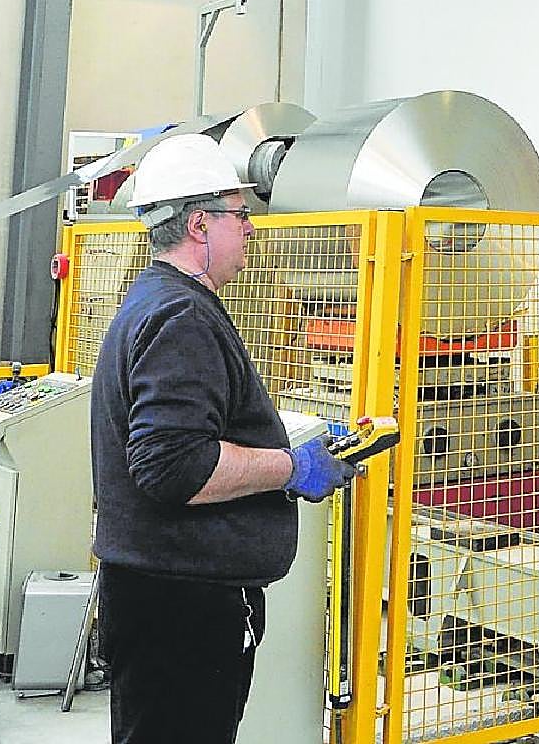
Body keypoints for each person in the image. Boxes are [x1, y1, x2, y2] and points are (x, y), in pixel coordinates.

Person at [90, 133, 359, 744]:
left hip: (162, 591)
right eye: (240, 215)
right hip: (184, 604)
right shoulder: (181, 317)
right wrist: (291, 467)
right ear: (199, 225)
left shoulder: (158, 302)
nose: (249, 230)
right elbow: (175, 467)